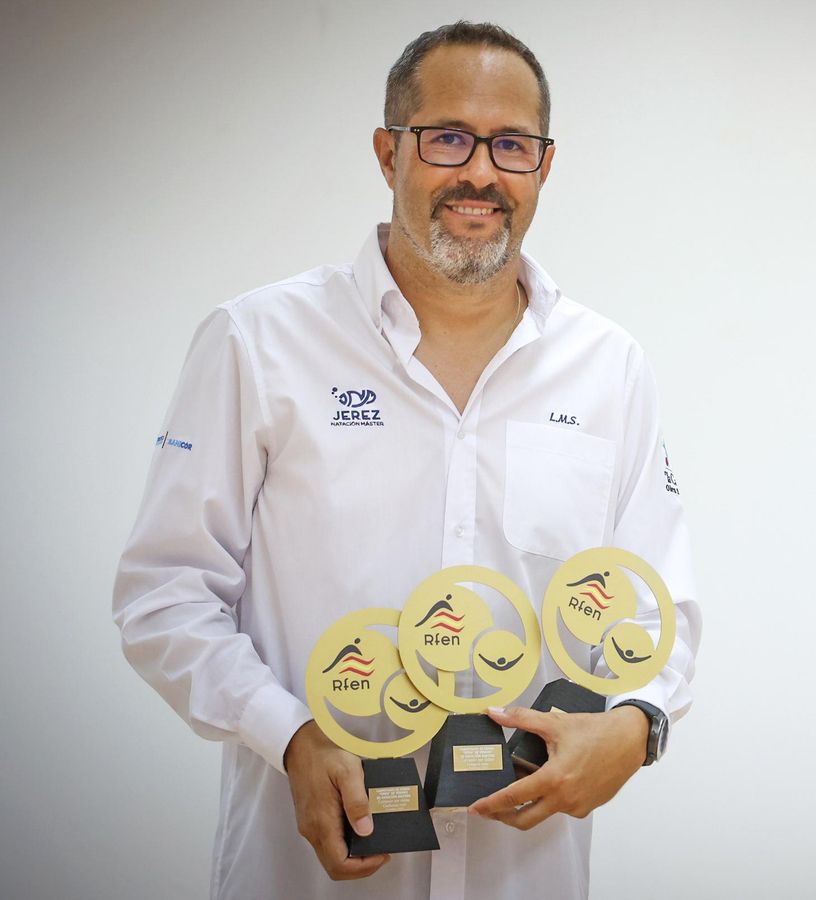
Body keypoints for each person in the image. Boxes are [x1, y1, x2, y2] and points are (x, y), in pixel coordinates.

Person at [113, 21, 699, 900]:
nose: (481, 172)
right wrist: (289, 734)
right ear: (389, 153)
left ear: (544, 166)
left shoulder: (609, 365)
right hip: (308, 871)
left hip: (523, 869)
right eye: (448, 138)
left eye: (511, 144)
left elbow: (662, 603)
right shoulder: (258, 343)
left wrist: (640, 724)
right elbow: (164, 593)